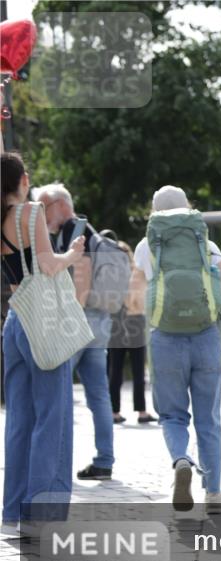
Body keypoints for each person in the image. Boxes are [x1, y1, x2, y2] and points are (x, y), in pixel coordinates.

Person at [131, 186, 221, 515]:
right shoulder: (206, 244)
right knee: (209, 419)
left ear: (154, 212)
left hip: (165, 338)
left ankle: (181, 460)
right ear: (188, 208)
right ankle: (214, 493)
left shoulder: (146, 246)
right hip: (205, 337)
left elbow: (134, 300)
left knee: (173, 416)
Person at [2, 152, 85, 531]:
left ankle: (13, 511)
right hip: (43, 319)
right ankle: (42, 515)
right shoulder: (31, 212)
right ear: (23, 180)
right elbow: (49, 265)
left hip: (14, 319)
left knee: (19, 420)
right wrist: (73, 254)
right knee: (53, 417)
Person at [35, 183, 115, 482]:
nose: (42, 216)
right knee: (99, 394)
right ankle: (104, 461)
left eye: (44, 208)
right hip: (100, 320)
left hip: (81, 319)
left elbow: (82, 274)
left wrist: (71, 320)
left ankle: (55, 464)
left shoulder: (74, 228)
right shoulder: (87, 230)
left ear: (61, 205)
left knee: (56, 389)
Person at [106, 240, 156, 425]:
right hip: (135, 320)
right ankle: (141, 412)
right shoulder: (137, 273)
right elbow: (139, 301)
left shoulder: (108, 275)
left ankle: (114, 412)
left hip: (116, 322)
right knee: (138, 370)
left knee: (115, 370)